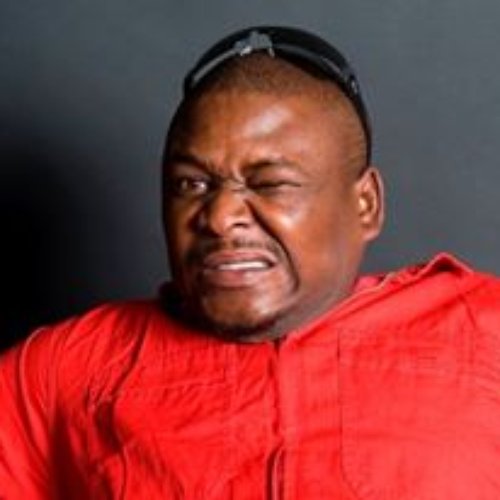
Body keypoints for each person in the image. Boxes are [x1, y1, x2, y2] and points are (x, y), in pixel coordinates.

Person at [1, 25, 500, 499]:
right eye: (192, 184)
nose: (220, 217)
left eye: (270, 183)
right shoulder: (57, 374)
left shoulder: (485, 335)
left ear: (365, 204)